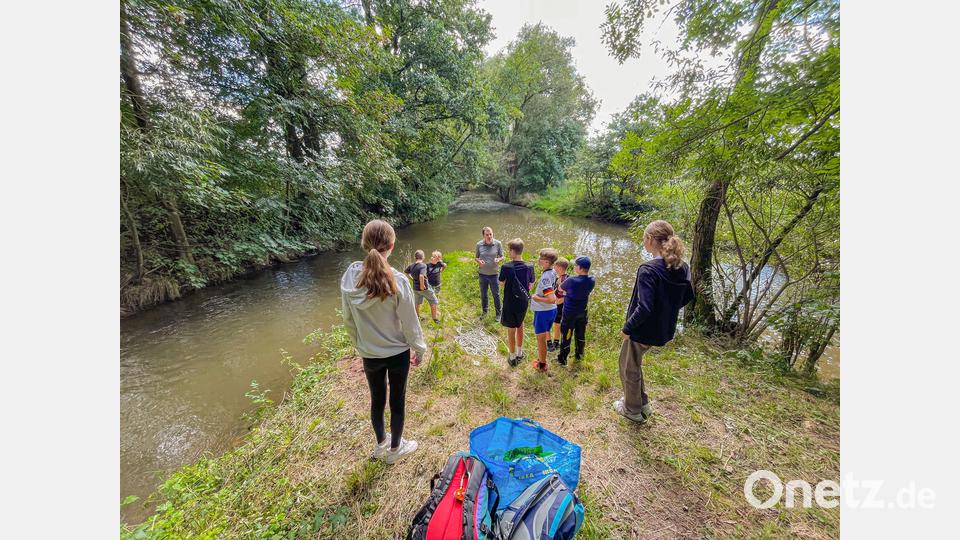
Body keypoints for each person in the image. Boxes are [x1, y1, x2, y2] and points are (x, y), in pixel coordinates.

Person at [340, 220, 426, 463]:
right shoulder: (398, 281)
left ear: (364, 244)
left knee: (376, 399)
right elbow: (410, 323)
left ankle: (380, 445)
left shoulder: (350, 278)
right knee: (397, 399)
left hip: (369, 353)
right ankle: (395, 449)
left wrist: (360, 345)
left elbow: (348, 318)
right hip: (398, 353)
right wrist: (419, 350)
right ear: (392, 245)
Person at [615, 220, 694, 424]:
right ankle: (642, 404)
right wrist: (666, 310)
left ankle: (632, 410)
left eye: (644, 238)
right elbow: (687, 296)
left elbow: (644, 307)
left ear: (650, 239)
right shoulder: (681, 266)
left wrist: (627, 328)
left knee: (627, 367)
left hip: (643, 329)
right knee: (634, 363)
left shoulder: (648, 270)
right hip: (663, 328)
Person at [498, 238, 534, 367]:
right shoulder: (530, 266)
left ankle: (512, 357)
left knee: (511, 330)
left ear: (513, 251)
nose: (509, 253)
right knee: (520, 325)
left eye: (509, 250)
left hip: (510, 302)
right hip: (523, 302)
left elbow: (501, 284)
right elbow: (531, 285)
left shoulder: (506, 266)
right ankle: (520, 352)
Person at [557, 256, 596, 366]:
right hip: (582, 313)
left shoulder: (571, 280)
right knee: (580, 334)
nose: (574, 267)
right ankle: (579, 355)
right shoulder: (592, 280)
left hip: (570, 314)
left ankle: (563, 359)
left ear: (579, 267)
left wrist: (566, 293)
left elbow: (560, 289)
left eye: (575, 265)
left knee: (566, 335)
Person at [530, 248, 559, 371]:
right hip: (549, 311)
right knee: (542, 336)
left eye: (541, 258)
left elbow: (552, 298)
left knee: (541, 339)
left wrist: (536, 297)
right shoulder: (552, 272)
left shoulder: (546, 277)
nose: (539, 260)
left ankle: (542, 365)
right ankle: (542, 359)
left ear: (547, 262)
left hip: (544, 312)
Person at [475, 227, 504, 321]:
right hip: (482, 274)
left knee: (496, 294)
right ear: (483, 235)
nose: (489, 236)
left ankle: (498, 314)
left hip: (494, 274)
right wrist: (479, 261)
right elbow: (476, 257)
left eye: (491, 234)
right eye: (487, 235)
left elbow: (502, 256)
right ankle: (484, 312)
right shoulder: (479, 244)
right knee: (484, 294)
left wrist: (498, 259)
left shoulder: (498, 243)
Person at [405, 250, 440, 324]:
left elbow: (406, 272)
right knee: (433, 301)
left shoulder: (411, 265)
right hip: (424, 288)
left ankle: (417, 317)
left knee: (417, 303)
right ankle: (435, 319)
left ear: (415, 257)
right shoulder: (423, 265)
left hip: (415, 288)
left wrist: (412, 279)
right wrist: (422, 285)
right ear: (423, 257)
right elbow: (421, 276)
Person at [550, 257, 569, 353]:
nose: (554, 268)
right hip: (556, 304)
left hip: (561, 306)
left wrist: (557, 301)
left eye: (555, 267)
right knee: (556, 323)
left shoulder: (565, 280)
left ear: (560, 268)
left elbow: (566, 296)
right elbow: (556, 290)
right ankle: (556, 341)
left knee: (557, 324)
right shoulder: (559, 278)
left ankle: (557, 342)